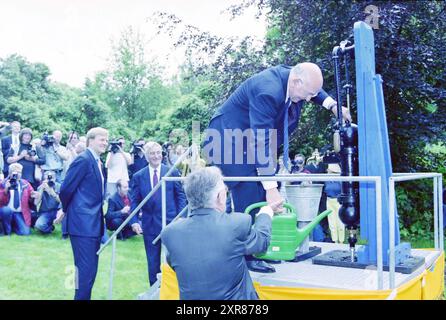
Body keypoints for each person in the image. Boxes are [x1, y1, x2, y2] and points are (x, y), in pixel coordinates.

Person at [203, 62, 351, 273]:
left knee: (263, 193)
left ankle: (259, 248)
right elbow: (260, 141)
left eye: (312, 95)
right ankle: (248, 256)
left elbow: (315, 91)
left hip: (251, 139)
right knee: (251, 192)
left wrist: (333, 105)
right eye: (308, 94)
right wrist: (271, 188)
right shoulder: (267, 90)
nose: (309, 99)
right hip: (228, 140)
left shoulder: (296, 79)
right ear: (296, 82)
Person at [161, 167, 282, 300]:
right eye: (225, 190)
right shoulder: (236, 224)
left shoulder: (170, 233)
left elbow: (175, 263)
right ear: (220, 196)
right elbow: (261, 243)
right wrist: (265, 213)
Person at [60, 127, 108, 300]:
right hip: (82, 225)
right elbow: (65, 189)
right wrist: (66, 210)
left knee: (88, 275)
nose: (105, 142)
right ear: (90, 140)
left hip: (93, 225)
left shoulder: (97, 162)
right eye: (101, 139)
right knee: (84, 275)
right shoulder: (84, 160)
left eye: (106, 140)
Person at [129, 141, 186, 286]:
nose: (156, 156)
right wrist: (134, 221)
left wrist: (181, 218)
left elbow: (180, 197)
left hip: (171, 223)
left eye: (158, 153)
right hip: (149, 224)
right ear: (147, 156)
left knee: (173, 260)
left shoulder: (172, 172)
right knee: (153, 261)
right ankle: (154, 291)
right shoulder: (138, 176)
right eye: (152, 153)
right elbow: (134, 201)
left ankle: (173, 290)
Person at [0, 163, 38, 235]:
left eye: (19, 172)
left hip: (19, 213)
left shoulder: (25, 183)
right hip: (6, 211)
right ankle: (7, 230)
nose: (17, 174)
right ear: (10, 173)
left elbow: (31, 199)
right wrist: (5, 190)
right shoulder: (3, 183)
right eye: (15, 172)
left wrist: (33, 196)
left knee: (25, 233)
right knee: (6, 210)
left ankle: (14, 226)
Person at [33, 170, 63, 234]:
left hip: (58, 211)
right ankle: (50, 228)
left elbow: (62, 201)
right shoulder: (41, 187)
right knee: (39, 225)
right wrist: (41, 189)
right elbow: (36, 203)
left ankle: (66, 232)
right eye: (47, 178)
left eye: (51, 178)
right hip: (46, 212)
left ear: (55, 178)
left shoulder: (60, 186)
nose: (49, 180)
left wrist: (52, 192)